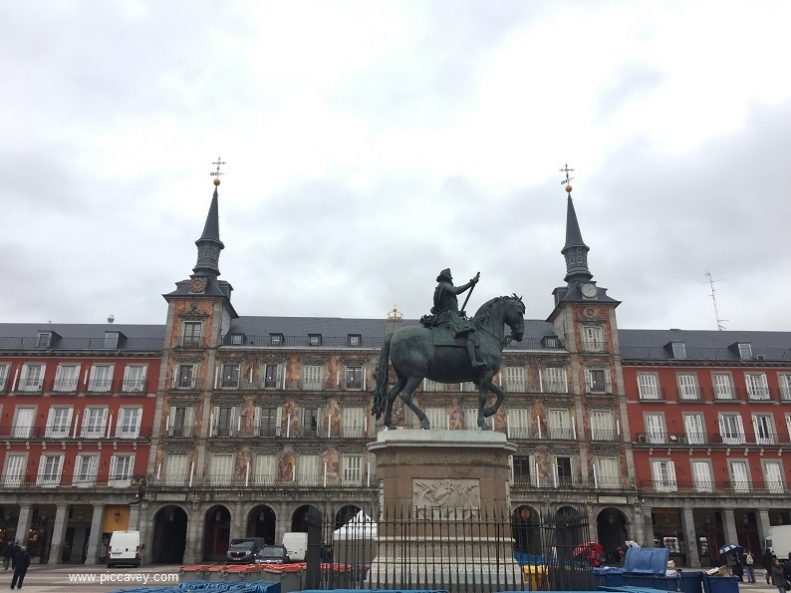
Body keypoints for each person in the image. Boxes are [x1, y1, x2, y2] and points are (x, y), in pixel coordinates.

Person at [423, 268, 484, 369]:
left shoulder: (440, 287)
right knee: (470, 333)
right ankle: (473, 361)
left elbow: (444, 306)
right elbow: (457, 290)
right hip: (448, 318)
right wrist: (472, 282)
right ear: (448, 278)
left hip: (447, 315)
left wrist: (458, 313)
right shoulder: (445, 285)